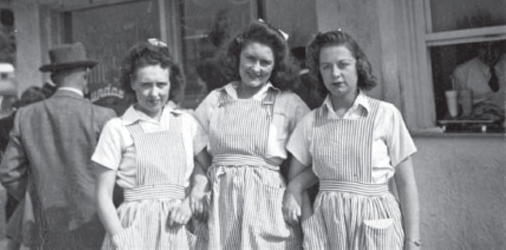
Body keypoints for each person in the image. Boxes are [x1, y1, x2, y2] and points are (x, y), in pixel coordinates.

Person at [284, 30, 420, 249]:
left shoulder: (386, 114)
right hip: (327, 230)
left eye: (343, 64)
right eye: (326, 67)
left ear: (359, 66)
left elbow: (406, 183)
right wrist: (310, 229)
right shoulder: (310, 122)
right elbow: (296, 182)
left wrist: (412, 241)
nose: (335, 74)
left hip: (376, 227)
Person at [193, 20, 309, 250]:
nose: (256, 68)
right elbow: (194, 152)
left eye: (265, 62)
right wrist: (199, 183)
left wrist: (296, 186)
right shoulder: (216, 99)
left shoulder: (287, 102)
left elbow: (321, 153)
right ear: (238, 57)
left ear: (276, 66)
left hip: (268, 207)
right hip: (220, 206)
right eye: (250, 58)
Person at [0, 42, 117, 249]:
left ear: (53, 78)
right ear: (85, 75)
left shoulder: (26, 116)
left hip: (46, 224)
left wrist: (36, 198)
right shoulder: (102, 116)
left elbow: (8, 171)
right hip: (94, 223)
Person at [93, 39, 210, 249]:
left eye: (161, 84)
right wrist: (123, 239)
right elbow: (103, 196)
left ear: (171, 83)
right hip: (133, 231)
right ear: (132, 83)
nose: (154, 93)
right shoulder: (117, 128)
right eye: (146, 85)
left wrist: (191, 199)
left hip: (180, 227)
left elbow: (207, 167)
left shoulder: (186, 122)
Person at [0, 86, 46, 250]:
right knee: (27, 236)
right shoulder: (8, 125)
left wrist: (7, 176)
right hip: (24, 186)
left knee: (18, 238)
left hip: (16, 185)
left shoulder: (4, 123)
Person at [453, 40, 505, 118]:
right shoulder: (462, 73)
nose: (489, 54)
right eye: (483, 47)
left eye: (494, 46)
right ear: (476, 48)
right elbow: (457, 114)